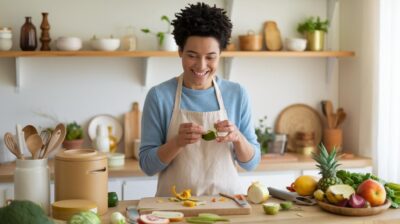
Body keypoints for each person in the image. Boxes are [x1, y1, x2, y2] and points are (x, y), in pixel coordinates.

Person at [139, 2, 261, 196]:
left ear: (221, 54)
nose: (201, 66)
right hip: (174, 208)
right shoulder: (159, 96)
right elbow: (147, 165)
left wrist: (237, 137)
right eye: (192, 55)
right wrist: (177, 142)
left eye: (210, 57)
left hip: (227, 204)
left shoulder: (237, 94)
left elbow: (252, 163)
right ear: (180, 51)